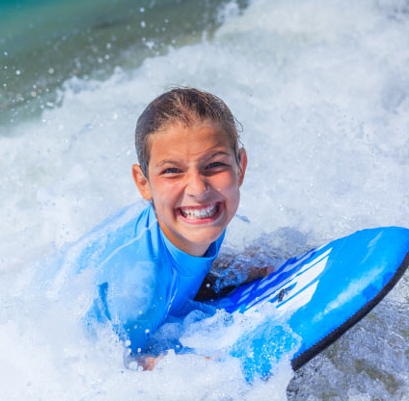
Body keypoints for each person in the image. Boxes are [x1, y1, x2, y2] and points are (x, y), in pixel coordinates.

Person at [79, 87, 268, 369]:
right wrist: (193, 369)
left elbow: (179, 275)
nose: (198, 188)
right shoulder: (140, 291)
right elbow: (102, 368)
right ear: (143, 183)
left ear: (240, 167)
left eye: (214, 165)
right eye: (172, 171)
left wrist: (235, 271)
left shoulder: (200, 217)